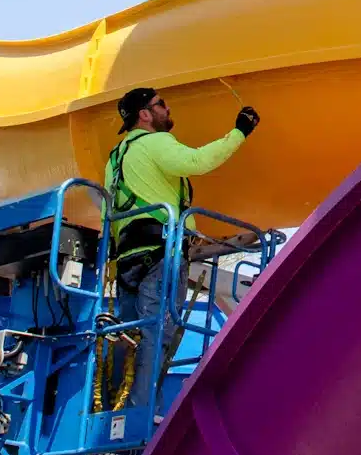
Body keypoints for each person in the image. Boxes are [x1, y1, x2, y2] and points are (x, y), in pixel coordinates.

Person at [105, 86, 259, 362]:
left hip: (127, 258)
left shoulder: (115, 158)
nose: (168, 108)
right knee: (157, 335)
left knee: (129, 336)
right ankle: (142, 400)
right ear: (145, 115)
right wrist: (240, 132)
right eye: (161, 104)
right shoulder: (155, 142)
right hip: (160, 254)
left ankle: (120, 399)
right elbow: (197, 162)